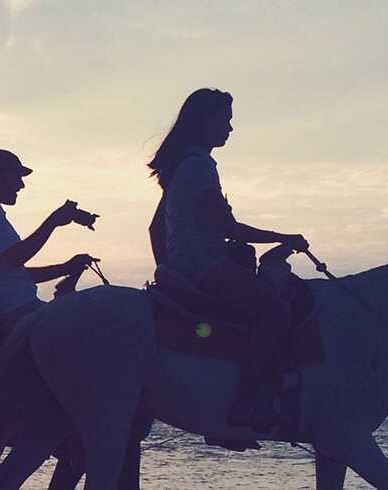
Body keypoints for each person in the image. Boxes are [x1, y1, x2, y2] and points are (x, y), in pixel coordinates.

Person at [146, 88, 309, 429]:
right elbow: (228, 227)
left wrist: (169, 270)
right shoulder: (201, 167)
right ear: (205, 119)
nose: (230, 128)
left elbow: (153, 229)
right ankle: (244, 404)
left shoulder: (180, 169)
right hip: (205, 266)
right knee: (276, 310)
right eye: (226, 119)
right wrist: (283, 237)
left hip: (187, 265)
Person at [0, 149, 99, 326]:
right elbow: (17, 257)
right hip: (15, 307)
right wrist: (53, 221)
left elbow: (12, 272)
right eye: (17, 176)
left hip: (14, 305)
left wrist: (66, 267)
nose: (21, 185)